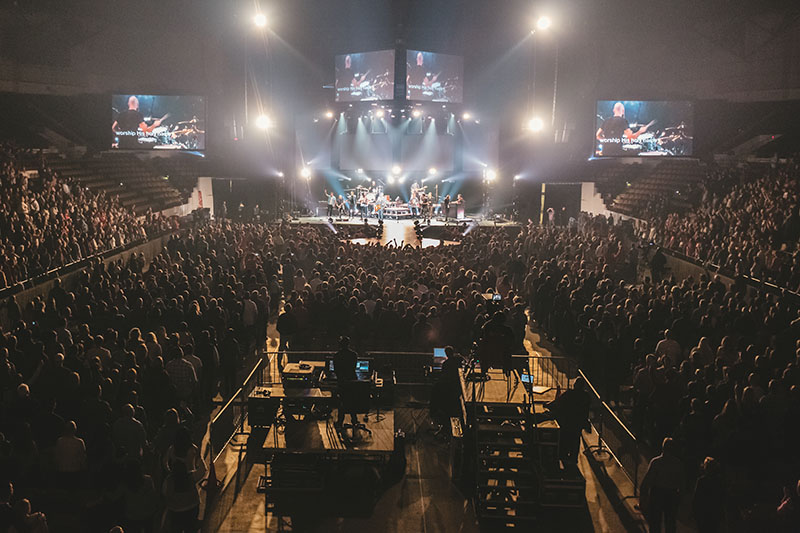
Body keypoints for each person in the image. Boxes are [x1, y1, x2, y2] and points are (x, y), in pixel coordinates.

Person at [641, 437, 685, 533]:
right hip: (672, 494)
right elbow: (681, 483)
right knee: (670, 522)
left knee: (655, 521)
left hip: (657, 493)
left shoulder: (656, 462)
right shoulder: (678, 464)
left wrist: (643, 497)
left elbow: (647, 481)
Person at [543, 376, 590, 466]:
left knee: (564, 439)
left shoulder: (569, 394)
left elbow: (558, 403)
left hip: (567, 422)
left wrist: (547, 405)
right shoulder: (586, 396)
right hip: (578, 423)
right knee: (575, 441)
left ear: (575, 385)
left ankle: (563, 457)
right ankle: (573, 459)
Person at [162, 462, 199, 533]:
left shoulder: (169, 480)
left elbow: (165, 494)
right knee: (190, 529)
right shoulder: (191, 476)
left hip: (176, 510)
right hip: (193, 507)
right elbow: (203, 471)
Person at [691, 457, 725, 533]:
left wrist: (693, 511)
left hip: (703, 512)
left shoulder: (702, 481)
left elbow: (696, 497)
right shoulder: (719, 481)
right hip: (715, 511)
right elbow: (722, 497)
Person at [333, 336, 358, 427]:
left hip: (342, 383)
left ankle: (340, 422)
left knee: (342, 402)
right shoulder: (354, 355)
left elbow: (336, 370)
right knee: (352, 401)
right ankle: (354, 420)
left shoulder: (336, 356)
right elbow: (353, 368)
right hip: (352, 381)